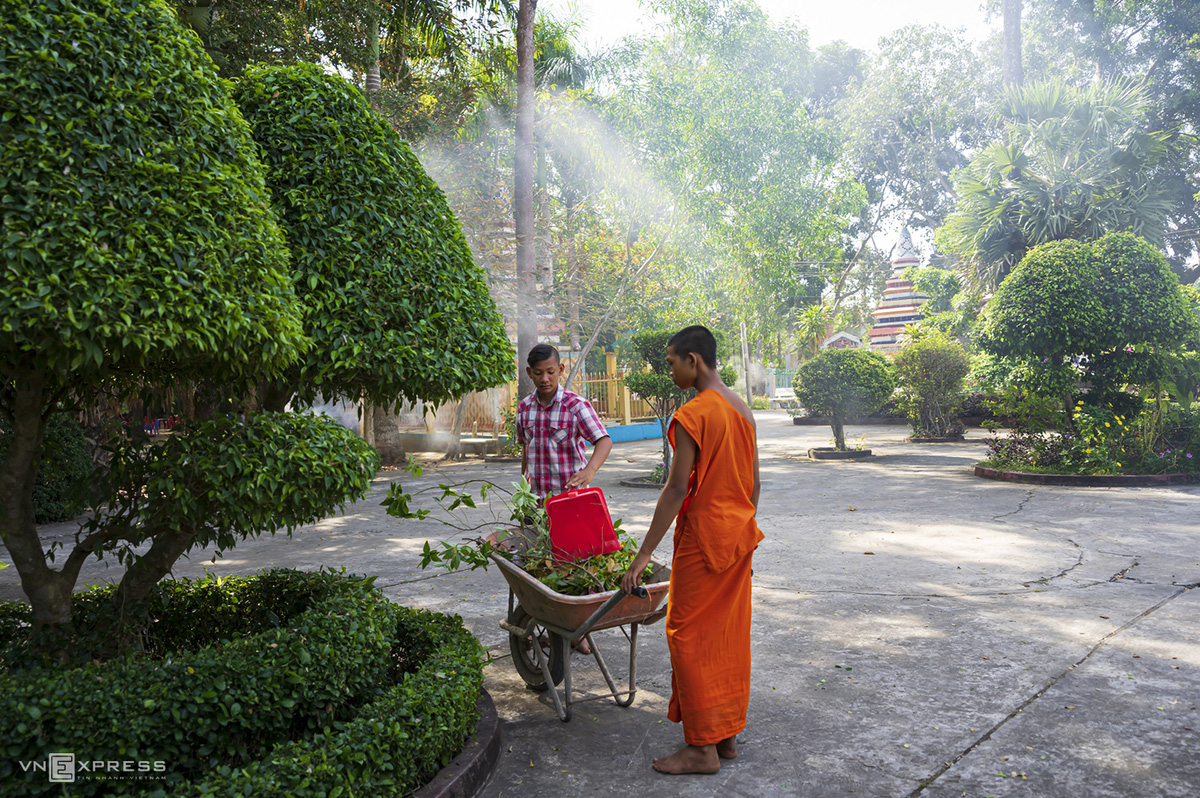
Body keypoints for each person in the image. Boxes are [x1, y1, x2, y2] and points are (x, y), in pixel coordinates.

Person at [620, 324, 763, 775]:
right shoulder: (743, 411)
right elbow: (755, 485)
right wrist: (739, 530)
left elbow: (676, 488)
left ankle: (702, 748)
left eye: (671, 363)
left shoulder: (695, 413)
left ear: (693, 361)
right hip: (737, 537)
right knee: (727, 635)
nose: (670, 371)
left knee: (688, 636)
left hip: (702, 540)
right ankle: (726, 735)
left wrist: (643, 555)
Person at [516, 343, 614, 499]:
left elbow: (604, 441)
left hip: (569, 499)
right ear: (529, 372)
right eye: (538, 373)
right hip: (534, 502)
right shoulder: (524, 408)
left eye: (550, 372)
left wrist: (590, 470)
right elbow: (526, 451)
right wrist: (522, 490)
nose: (545, 379)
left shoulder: (576, 406)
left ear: (560, 370)